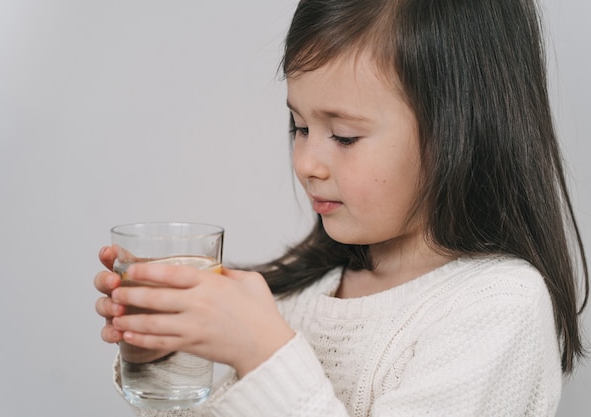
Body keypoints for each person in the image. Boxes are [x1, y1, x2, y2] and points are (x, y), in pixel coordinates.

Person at [94, 0, 589, 415]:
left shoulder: (499, 306)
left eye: (345, 136)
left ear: (462, 130)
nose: (306, 162)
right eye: (300, 127)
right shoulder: (301, 289)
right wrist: (169, 360)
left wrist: (264, 355)